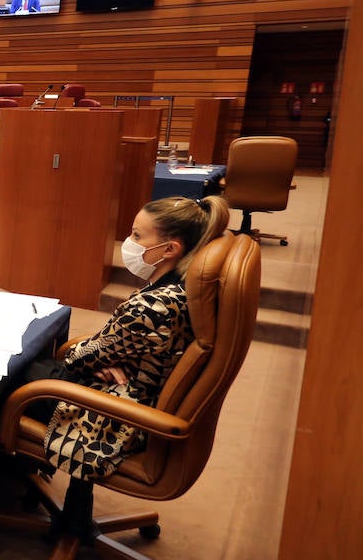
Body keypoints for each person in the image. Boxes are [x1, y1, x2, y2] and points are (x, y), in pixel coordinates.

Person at [16, 196, 231, 483]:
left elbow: (78, 359)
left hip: (117, 419)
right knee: (40, 364)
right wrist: (100, 357)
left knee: (12, 372)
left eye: (137, 236)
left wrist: (94, 358)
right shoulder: (181, 290)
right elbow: (105, 350)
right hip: (137, 395)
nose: (128, 242)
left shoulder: (152, 308)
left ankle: (4, 477)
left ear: (170, 249)